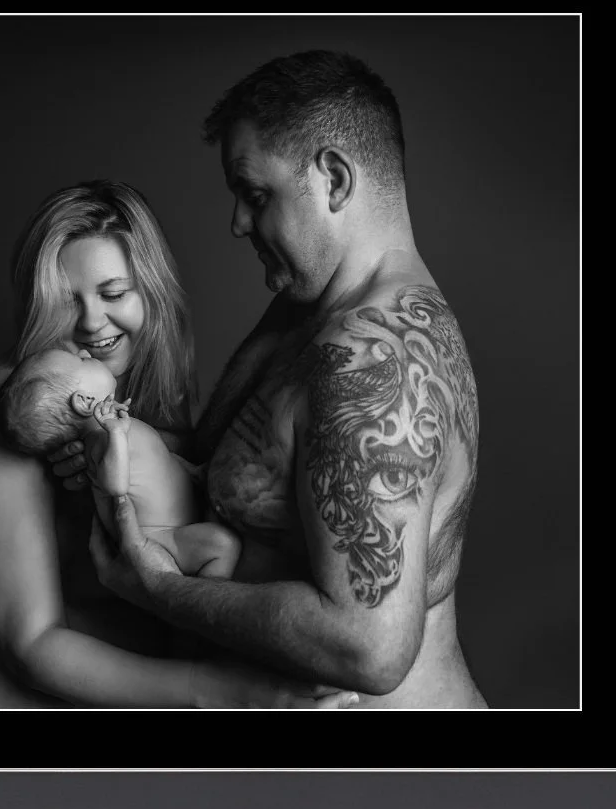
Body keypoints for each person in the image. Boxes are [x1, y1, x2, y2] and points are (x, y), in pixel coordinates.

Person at [73, 52, 488, 708]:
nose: (238, 222)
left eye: (256, 194)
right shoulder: (308, 307)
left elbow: (369, 647)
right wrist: (104, 445)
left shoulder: (375, 357)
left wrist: (158, 589)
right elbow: (211, 466)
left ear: (333, 179)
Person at [0, 180, 359, 709]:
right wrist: (233, 694)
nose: (91, 323)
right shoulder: (2, 408)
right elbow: (31, 645)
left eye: (113, 294)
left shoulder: (140, 399)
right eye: (65, 302)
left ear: (151, 292)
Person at [0, 347, 242, 578]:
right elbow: (115, 486)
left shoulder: (111, 431)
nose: (85, 352)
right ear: (84, 402)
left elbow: (158, 460)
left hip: (181, 520)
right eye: (82, 360)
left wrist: (191, 471)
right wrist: (115, 433)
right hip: (162, 541)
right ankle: (198, 599)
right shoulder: (99, 443)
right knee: (225, 544)